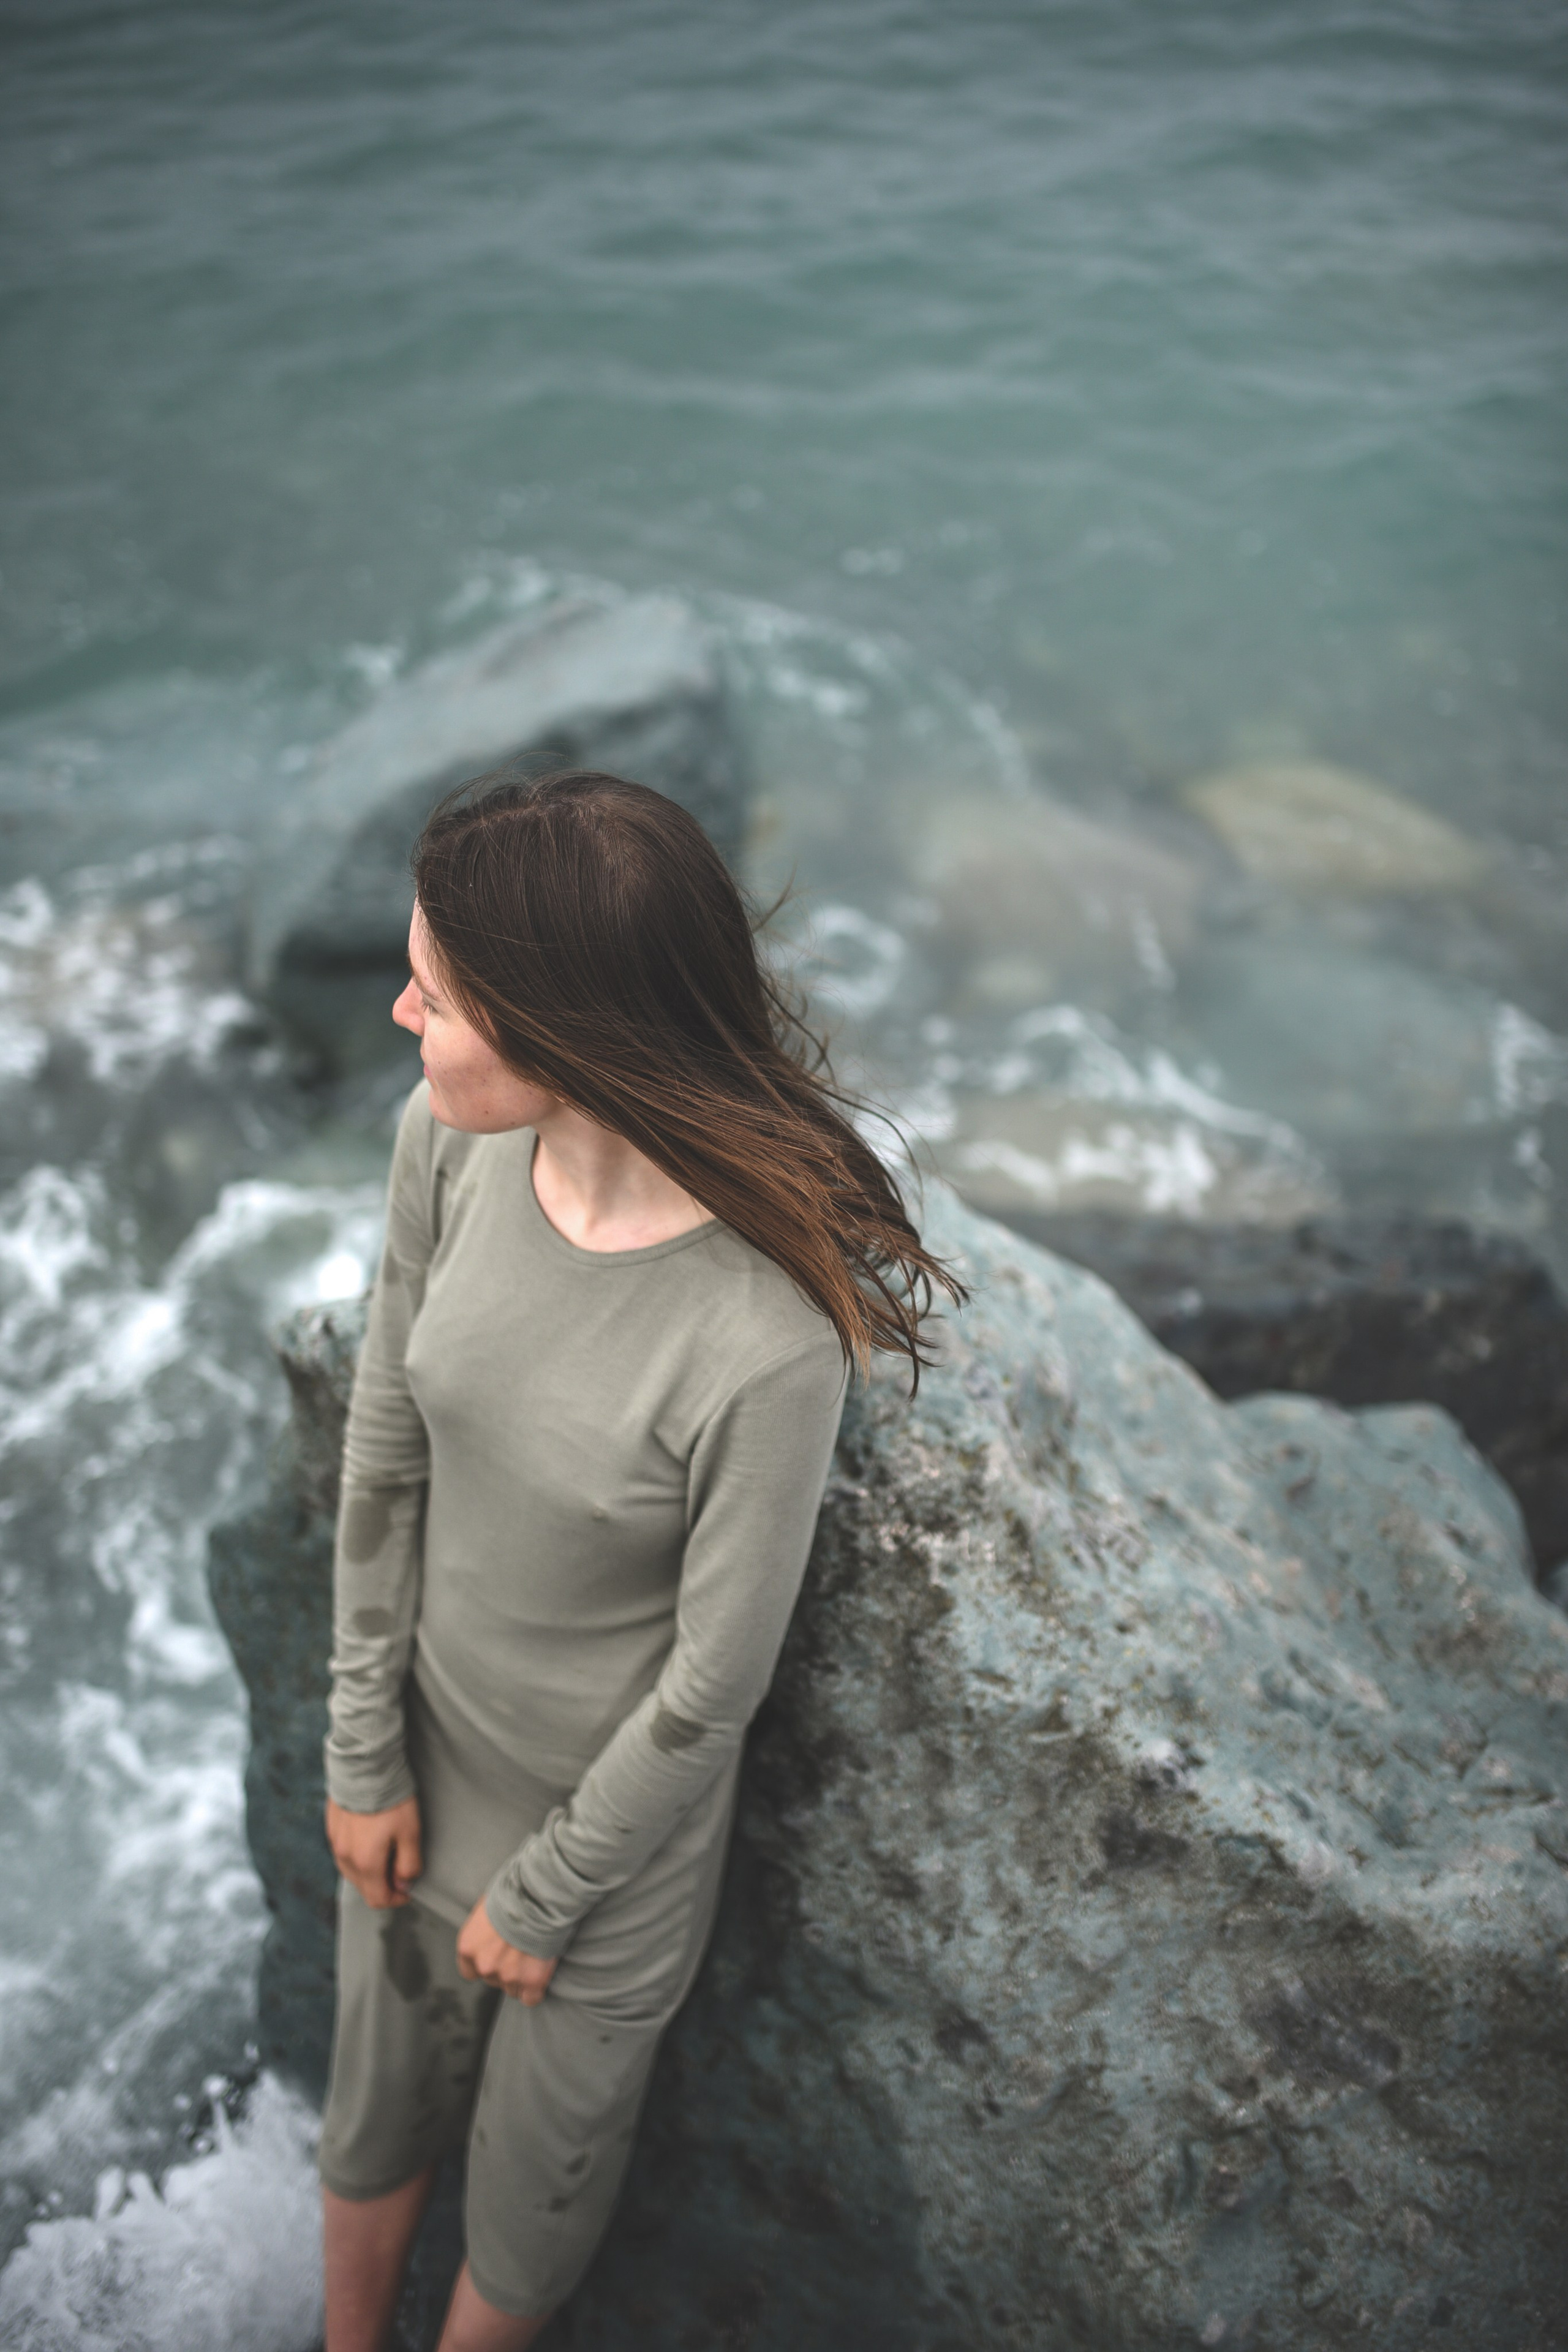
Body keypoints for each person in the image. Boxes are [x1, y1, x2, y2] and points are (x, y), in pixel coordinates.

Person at [315, 768, 960, 2351]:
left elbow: (711, 1686)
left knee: (531, 2220)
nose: (403, 1015)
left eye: (438, 995)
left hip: (607, 1865)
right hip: (418, 1765)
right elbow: (384, 1443)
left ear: (558, 1029)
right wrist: (358, 1747)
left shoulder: (764, 1341)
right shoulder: (449, 1147)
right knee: (371, 2118)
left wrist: (543, 1899)